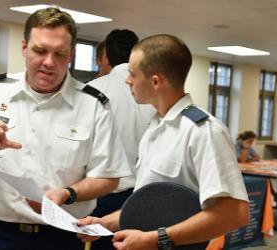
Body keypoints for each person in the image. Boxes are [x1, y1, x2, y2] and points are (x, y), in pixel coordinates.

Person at [0, 7, 131, 250]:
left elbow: (107, 177)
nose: (49, 62)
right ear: (25, 47)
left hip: (59, 236)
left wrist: (67, 194)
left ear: (71, 55)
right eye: (40, 50)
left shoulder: (93, 105)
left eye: (60, 53)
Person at [78, 34, 250, 249]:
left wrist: (156, 239)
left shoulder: (202, 132)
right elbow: (152, 205)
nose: (127, 80)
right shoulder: (155, 127)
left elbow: (234, 213)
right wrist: (104, 223)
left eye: (133, 74)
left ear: (156, 81)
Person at [86, 29, 155, 250]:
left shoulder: (91, 91)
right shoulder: (155, 93)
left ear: (105, 57)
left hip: (101, 199)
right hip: (143, 198)